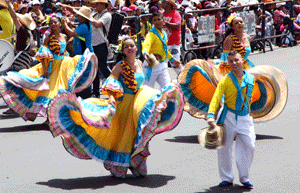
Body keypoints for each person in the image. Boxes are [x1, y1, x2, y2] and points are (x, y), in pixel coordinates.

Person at [47, 36, 184, 178]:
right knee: (124, 137)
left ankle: (136, 162)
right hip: (123, 105)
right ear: (123, 50)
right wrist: (112, 97)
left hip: (136, 105)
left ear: (136, 48)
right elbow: (111, 81)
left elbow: (141, 84)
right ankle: (119, 164)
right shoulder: (119, 66)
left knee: (138, 134)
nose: (130, 48)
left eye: (132, 46)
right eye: (127, 47)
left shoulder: (139, 62)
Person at [0, 15, 97, 121]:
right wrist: (45, 69)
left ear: (60, 24)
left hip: (63, 66)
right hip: (51, 66)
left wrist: (72, 60)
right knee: (49, 91)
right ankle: (35, 112)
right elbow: (43, 54)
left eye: (55, 22)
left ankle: (50, 118)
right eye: (51, 23)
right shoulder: (48, 38)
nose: (53, 25)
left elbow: (66, 49)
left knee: (60, 90)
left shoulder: (64, 36)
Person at [206, 50, 255, 188]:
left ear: (242, 61)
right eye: (231, 61)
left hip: (245, 117)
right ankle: (227, 177)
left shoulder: (251, 78)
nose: (234, 63)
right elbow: (216, 97)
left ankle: (244, 177)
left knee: (249, 145)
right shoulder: (225, 80)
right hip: (228, 116)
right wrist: (210, 115)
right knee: (224, 147)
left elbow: (252, 97)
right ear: (228, 63)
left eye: (236, 60)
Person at [60, 5, 95, 99]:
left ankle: (85, 97)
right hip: (81, 55)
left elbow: (72, 33)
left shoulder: (84, 26)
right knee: (81, 76)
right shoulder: (83, 24)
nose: (77, 17)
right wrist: (71, 26)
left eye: (79, 16)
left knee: (83, 77)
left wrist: (64, 25)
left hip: (84, 55)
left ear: (83, 17)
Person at [142, 11, 181, 89]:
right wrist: (145, 52)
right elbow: (146, 44)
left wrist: (173, 59)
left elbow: (165, 49)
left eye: (159, 19)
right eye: (155, 20)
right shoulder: (151, 34)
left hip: (162, 66)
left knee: (167, 90)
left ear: (163, 20)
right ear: (152, 22)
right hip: (151, 66)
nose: (157, 22)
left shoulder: (163, 33)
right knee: (148, 92)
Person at [90, 0, 112, 98]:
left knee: (103, 68)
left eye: (97, 4)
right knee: (94, 69)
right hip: (93, 45)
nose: (95, 6)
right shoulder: (94, 14)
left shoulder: (107, 15)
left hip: (102, 44)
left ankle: (116, 86)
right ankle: (95, 92)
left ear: (103, 5)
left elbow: (97, 24)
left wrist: (87, 15)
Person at [161, 0, 183, 74]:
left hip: (173, 43)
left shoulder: (175, 14)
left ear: (169, 4)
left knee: (176, 64)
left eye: (164, 2)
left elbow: (177, 26)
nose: (161, 3)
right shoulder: (161, 14)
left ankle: (184, 80)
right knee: (162, 65)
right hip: (164, 44)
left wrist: (166, 23)